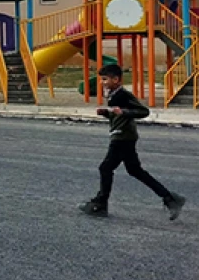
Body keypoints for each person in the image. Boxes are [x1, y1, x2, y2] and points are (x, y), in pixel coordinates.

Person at [79, 64, 186, 220]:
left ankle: (101, 204)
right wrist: (106, 113)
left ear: (116, 79)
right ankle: (170, 199)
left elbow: (143, 111)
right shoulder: (113, 94)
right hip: (122, 136)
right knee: (135, 170)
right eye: (101, 79)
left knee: (105, 168)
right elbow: (118, 116)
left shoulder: (123, 95)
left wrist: (124, 112)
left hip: (122, 138)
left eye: (104, 79)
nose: (102, 82)